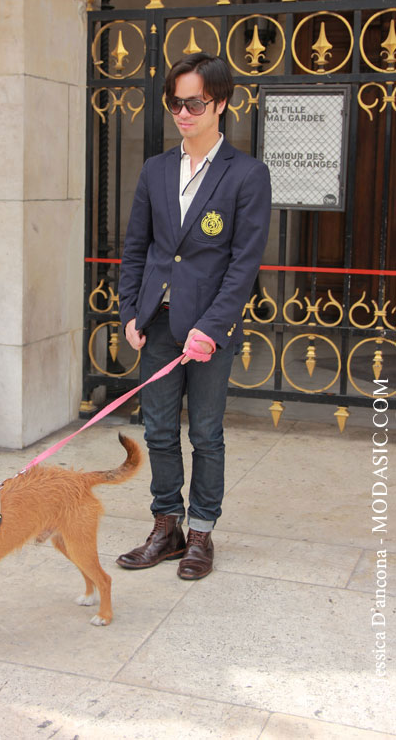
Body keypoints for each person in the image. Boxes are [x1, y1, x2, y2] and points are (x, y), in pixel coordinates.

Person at [117, 52, 271, 580]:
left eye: (194, 103)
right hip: (157, 322)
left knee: (205, 432)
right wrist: (129, 313)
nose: (182, 113)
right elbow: (135, 248)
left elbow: (243, 262)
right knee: (159, 429)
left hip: (210, 330)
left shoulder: (247, 174)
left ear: (221, 103)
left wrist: (214, 325)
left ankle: (201, 531)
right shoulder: (156, 169)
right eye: (175, 102)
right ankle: (167, 526)